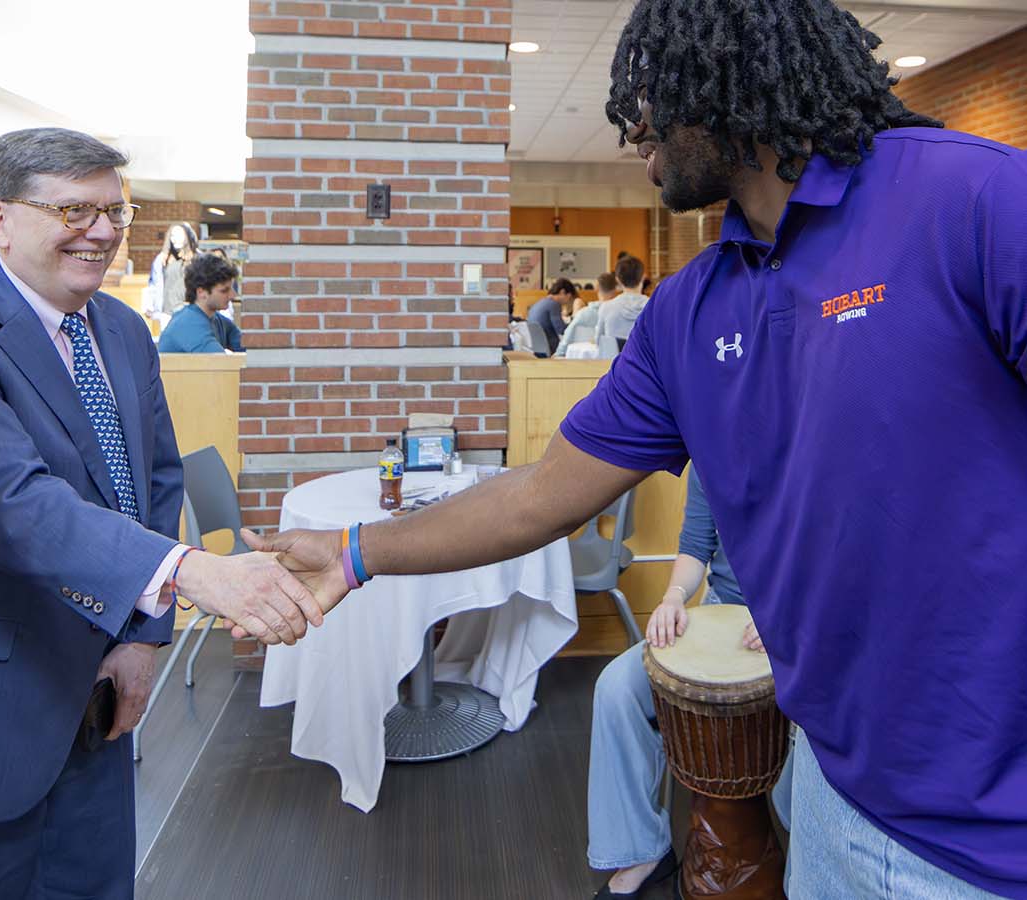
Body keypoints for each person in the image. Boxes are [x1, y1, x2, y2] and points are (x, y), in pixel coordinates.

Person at [249, 1, 1027, 896]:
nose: (631, 130)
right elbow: (540, 494)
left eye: (647, 96)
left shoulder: (976, 200)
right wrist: (356, 554)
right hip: (839, 792)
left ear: (722, 73)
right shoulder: (688, 308)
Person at [0, 127, 322, 900]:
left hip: (101, 694)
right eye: (75, 211)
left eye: (115, 211)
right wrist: (189, 571)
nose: (105, 232)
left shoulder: (118, 328)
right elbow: (10, 505)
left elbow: (152, 482)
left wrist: (143, 636)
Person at [587, 467, 791, 899]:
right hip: (721, 613)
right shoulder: (708, 456)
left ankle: (809, 860)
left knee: (809, 753)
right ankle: (640, 851)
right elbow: (696, 548)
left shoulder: (815, 450)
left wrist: (788, 616)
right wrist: (674, 597)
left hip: (799, 621)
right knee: (617, 688)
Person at [158, 252, 243, 353]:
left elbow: (249, 346)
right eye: (224, 290)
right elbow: (219, 360)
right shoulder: (188, 325)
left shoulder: (216, 319)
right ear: (201, 292)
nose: (233, 295)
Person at [595, 255, 650, 344]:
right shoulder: (655, 308)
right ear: (643, 277)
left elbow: (599, 342)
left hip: (613, 353)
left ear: (618, 280)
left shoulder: (606, 308)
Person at [554, 275, 611, 357]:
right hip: (610, 356)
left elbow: (569, 333)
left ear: (597, 288)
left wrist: (558, 353)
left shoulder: (583, 312)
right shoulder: (617, 312)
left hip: (578, 356)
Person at [151, 221, 198, 317]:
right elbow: (154, 283)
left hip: (190, 310)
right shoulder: (162, 259)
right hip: (167, 312)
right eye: (172, 236)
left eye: (179, 235)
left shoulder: (196, 258)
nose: (174, 239)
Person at [525, 277, 577, 355]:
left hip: (537, 348)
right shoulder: (554, 304)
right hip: (550, 348)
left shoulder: (540, 303)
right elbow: (561, 329)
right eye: (569, 297)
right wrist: (574, 321)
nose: (568, 302)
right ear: (562, 292)